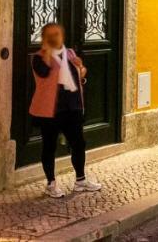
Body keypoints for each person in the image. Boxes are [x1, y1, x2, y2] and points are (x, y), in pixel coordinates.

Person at [29, 22, 102, 198]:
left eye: (57, 34)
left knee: (79, 143)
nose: (55, 38)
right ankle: (51, 184)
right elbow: (44, 74)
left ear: (62, 36)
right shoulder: (38, 57)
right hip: (51, 109)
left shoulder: (69, 53)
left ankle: (80, 180)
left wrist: (81, 67)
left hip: (72, 106)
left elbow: (80, 73)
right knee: (49, 146)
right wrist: (47, 52)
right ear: (44, 38)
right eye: (50, 35)